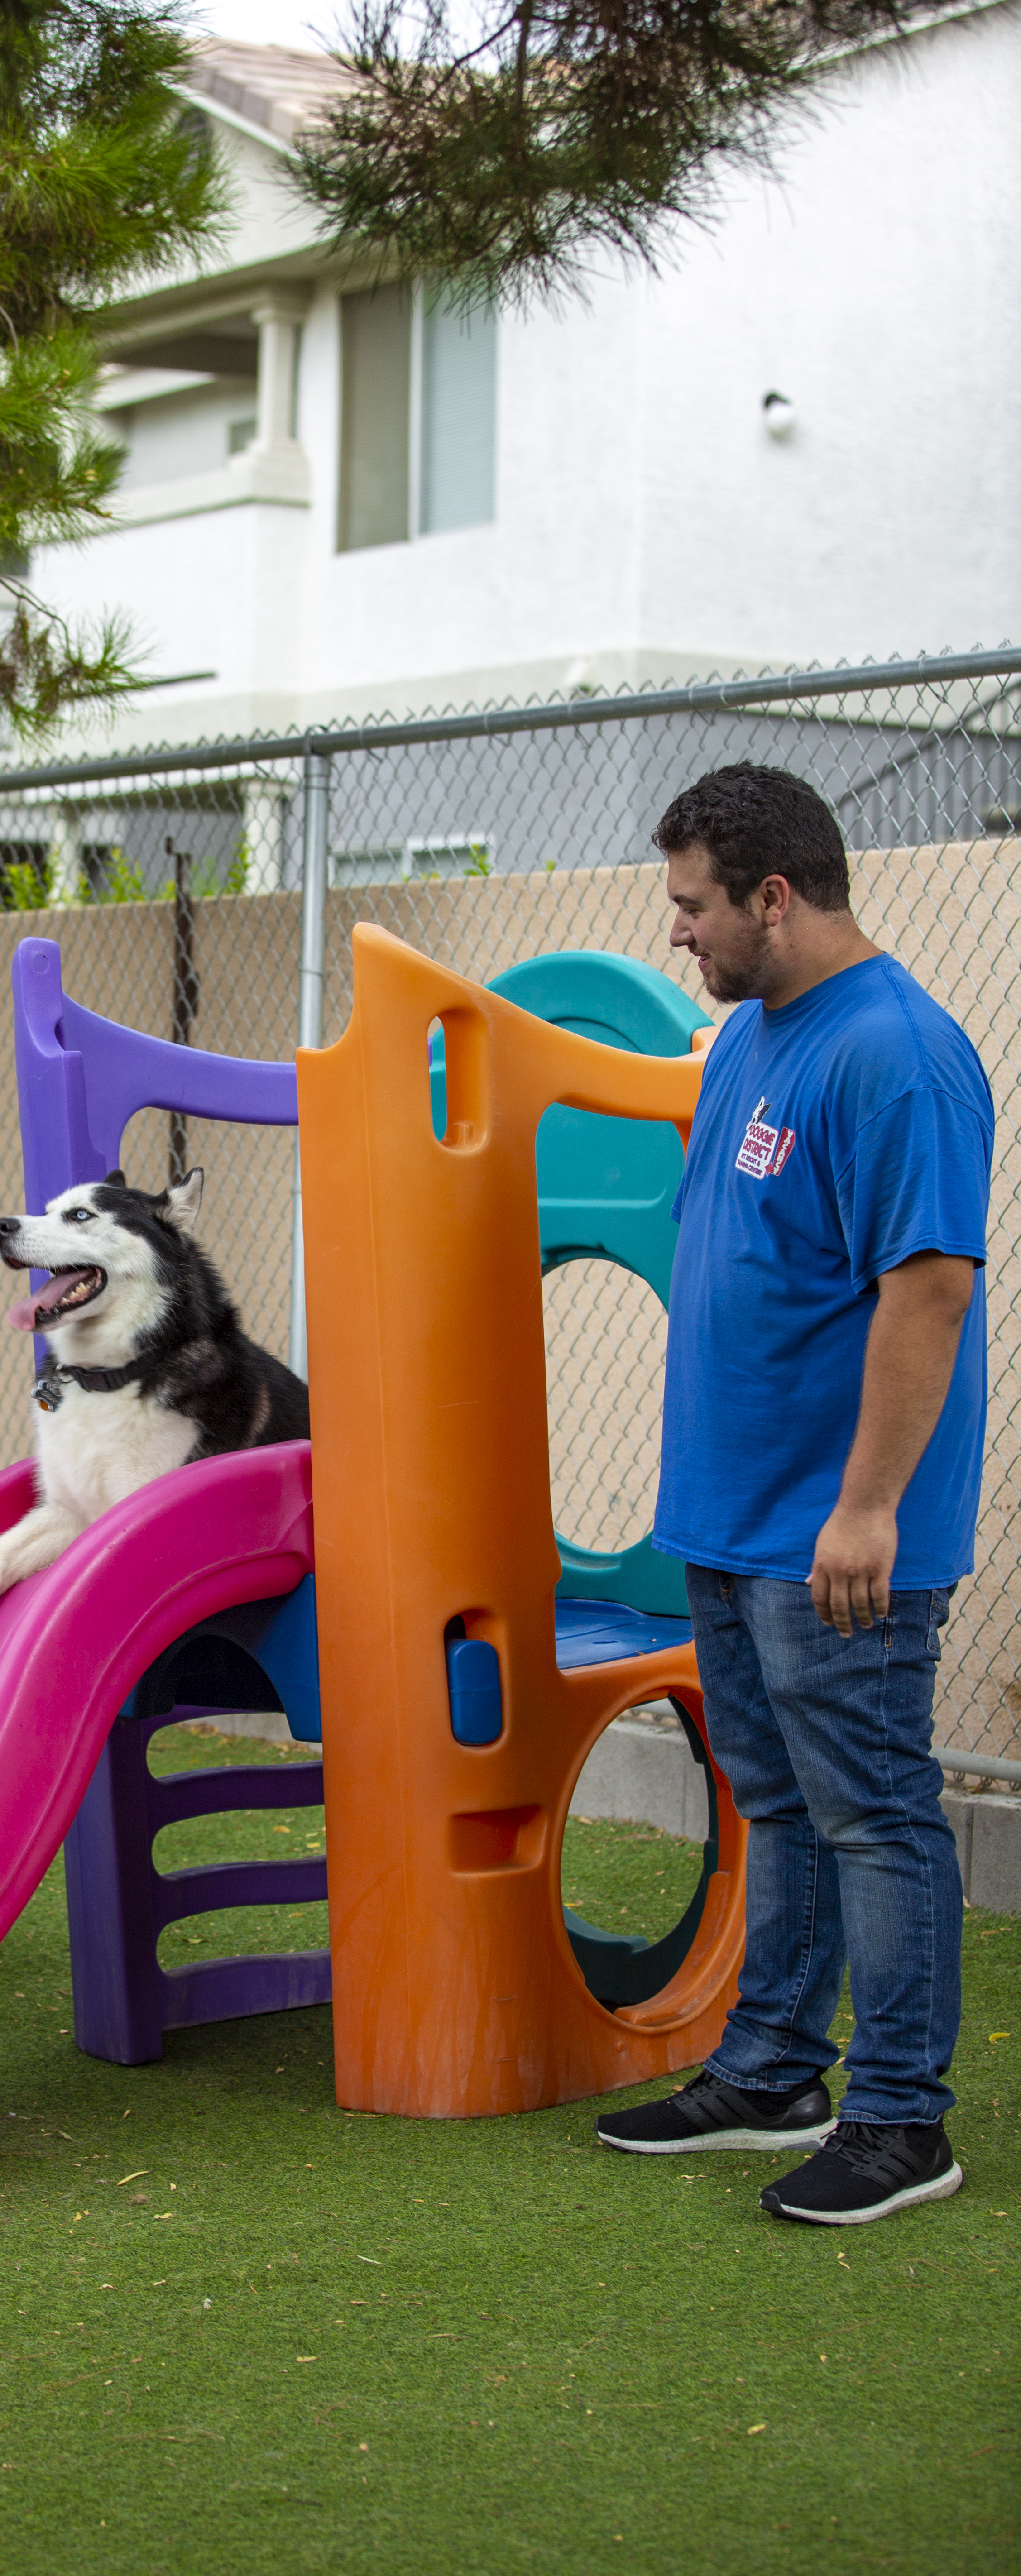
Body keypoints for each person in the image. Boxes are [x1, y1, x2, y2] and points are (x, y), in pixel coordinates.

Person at [593, 765, 992, 2224]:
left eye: (696, 906)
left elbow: (930, 1290)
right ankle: (772, 2072)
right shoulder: (756, 1034)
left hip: (838, 1531)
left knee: (877, 1811)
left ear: (774, 894)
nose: (680, 935)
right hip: (733, 1513)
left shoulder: (898, 1053)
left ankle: (901, 2122)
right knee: (780, 1800)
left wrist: (871, 1507)